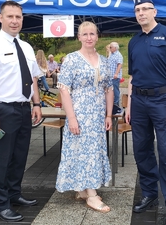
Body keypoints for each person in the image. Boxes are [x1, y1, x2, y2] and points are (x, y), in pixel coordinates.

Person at [0, 0, 42, 222]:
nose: (15, 21)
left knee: (19, 157)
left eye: (18, 17)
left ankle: (14, 194)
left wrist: (37, 104)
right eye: (10, 16)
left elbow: (32, 78)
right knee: (1, 160)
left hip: (23, 109)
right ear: (0, 18)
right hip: (2, 110)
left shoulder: (26, 47)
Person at [125, 0, 166, 225]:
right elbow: (132, 77)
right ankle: (149, 194)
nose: (141, 13)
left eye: (146, 9)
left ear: (154, 12)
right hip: (138, 102)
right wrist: (129, 105)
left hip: (163, 100)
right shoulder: (134, 41)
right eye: (138, 10)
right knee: (141, 150)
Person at [55, 21, 113, 214]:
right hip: (79, 113)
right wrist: (71, 118)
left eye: (92, 34)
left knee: (93, 151)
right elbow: (64, 90)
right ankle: (92, 194)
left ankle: (82, 189)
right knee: (83, 151)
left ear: (97, 36)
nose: (89, 37)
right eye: (85, 34)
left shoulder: (104, 60)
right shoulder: (71, 59)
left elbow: (109, 89)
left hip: (97, 115)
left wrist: (109, 115)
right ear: (79, 37)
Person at [108, 42, 123, 106]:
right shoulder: (112, 54)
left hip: (115, 77)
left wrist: (116, 74)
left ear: (115, 48)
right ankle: (112, 103)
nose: (110, 48)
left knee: (116, 90)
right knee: (111, 90)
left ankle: (116, 104)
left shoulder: (118, 55)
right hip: (110, 76)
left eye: (111, 47)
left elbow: (119, 65)